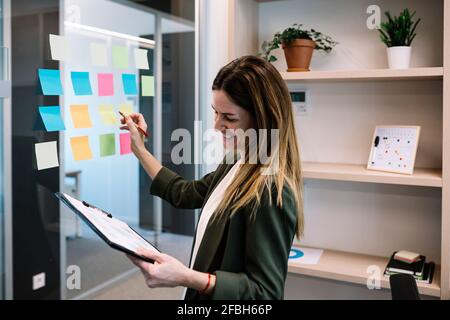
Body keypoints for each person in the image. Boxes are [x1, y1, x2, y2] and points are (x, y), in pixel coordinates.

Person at [121, 55, 304, 300]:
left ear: (262, 119)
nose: (217, 125)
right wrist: (140, 150)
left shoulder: (269, 188)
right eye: (215, 113)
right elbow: (185, 193)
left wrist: (187, 277)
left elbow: (265, 295)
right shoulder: (236, 162)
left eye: (229, 117)